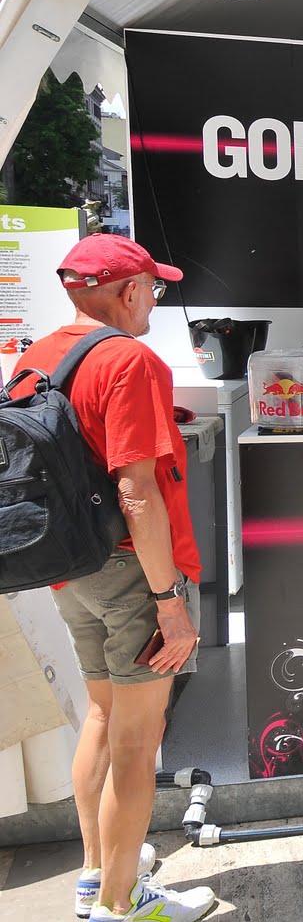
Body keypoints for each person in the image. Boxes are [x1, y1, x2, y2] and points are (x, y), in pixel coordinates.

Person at [11, 235, 217, 921]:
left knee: (101, 718)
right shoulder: (130, 360)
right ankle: (121, 904)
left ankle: (95, 875)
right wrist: (169, 602)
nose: (153, 302)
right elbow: (137, 490)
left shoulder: (39, 355)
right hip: (133, 571)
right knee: (137, 740)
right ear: (128, 290)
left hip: (71, 568)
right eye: (152, 289)